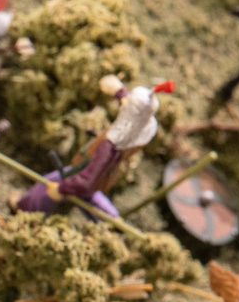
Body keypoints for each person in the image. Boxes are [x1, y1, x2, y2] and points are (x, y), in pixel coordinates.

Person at [17, 83, 168, 219]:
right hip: (103, 176)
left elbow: (86, 180)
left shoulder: (110, 145)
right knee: (91, 197)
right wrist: (120, 92)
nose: (123, 103)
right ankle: (111, 219)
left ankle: (28, 213)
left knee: (48, 186)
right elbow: (131, 106)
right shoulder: (144, 128)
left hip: (84, 173)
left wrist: (61, 189)